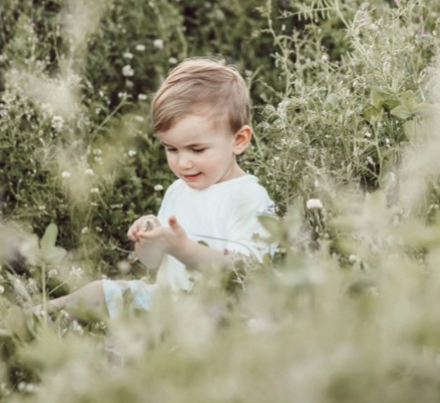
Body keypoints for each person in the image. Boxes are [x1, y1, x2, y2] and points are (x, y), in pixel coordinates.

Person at [51, 57, 276, 318]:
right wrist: (148, 241)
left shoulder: (247, 197)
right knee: (96, 292)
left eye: (197, 149)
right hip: (167, 302)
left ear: (239, 140)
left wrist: (183, 249)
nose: (183, 163)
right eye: (171, 148)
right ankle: (22, 322)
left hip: (219, 313)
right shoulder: (178, 190)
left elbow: (247, 270)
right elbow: (152, 263)